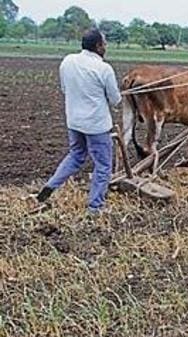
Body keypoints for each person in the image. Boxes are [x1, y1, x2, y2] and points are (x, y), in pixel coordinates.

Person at [36, 29, 122, 214]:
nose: (106, 46)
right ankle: (95, 207)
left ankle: (51, 185)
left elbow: (65, 89)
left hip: (74, 121)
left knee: (76, 155)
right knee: (103, 166)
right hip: (97, 126)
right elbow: (115, 100)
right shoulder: (104, 69)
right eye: (104, 43)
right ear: (98, 46)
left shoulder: (68, 61)